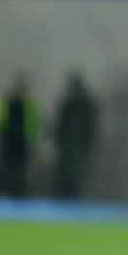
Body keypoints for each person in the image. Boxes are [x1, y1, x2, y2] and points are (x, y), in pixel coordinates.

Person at [0, 75, 41, 198]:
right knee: (10, 172)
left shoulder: (28, 106)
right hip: (10, 144)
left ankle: (16, 193)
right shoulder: (10, 104)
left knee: (18, 173)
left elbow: (34, 126)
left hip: (19, 145)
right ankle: (11, 192)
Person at [52, 72, 100, 200]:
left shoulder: (82, 105)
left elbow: (90, 126)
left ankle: (72, 196)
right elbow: (61, 124)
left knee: (75, 173)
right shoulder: (71, 104)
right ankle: (67, 195)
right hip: (70, 145)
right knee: (68, 173)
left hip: (77, 145)